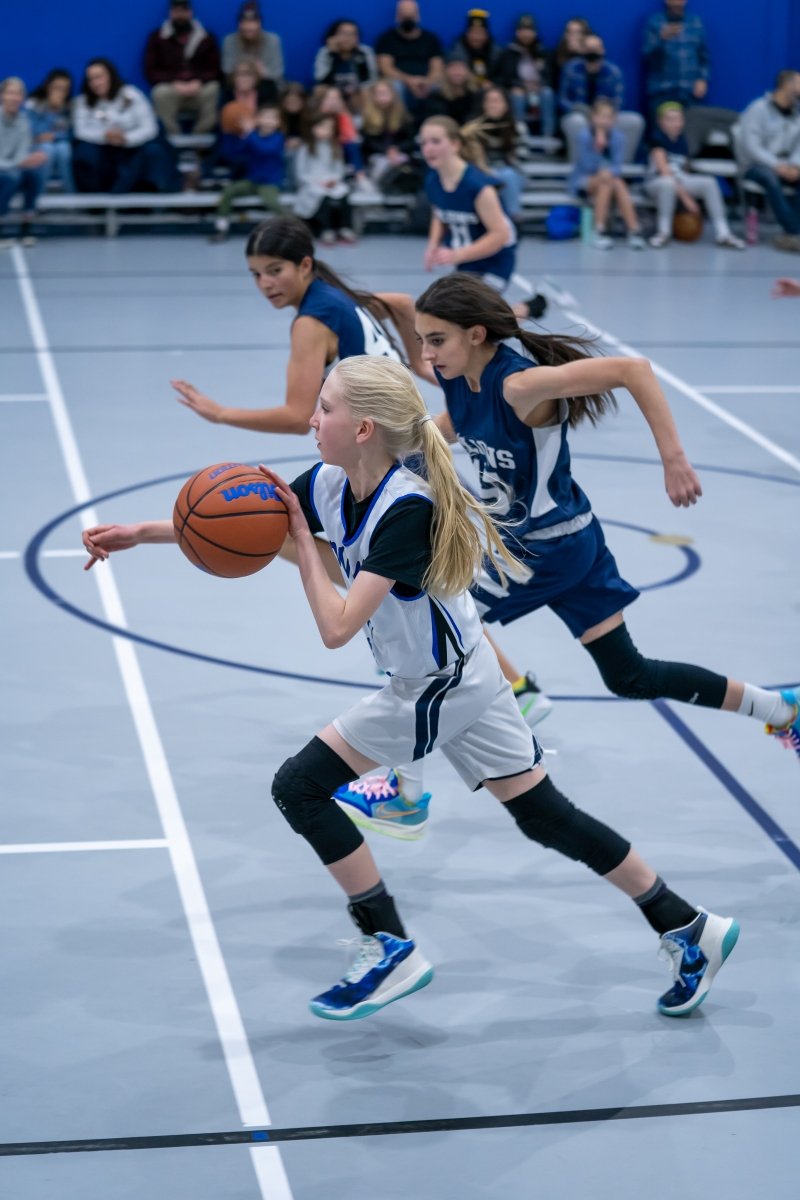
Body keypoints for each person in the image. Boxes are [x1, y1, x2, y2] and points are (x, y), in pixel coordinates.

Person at [82, 355, 740, 1023]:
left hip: (439, 684)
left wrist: (304, 546)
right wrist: (146, 533)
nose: (312, 420)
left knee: (298, 787)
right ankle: (687, 925)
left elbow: (337, 626)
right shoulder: (332, 483)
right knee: (545, 816)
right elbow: (251, 523)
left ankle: (387, 944)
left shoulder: (408, 510)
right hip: (468, 671)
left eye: (325, 409)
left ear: (364, 429)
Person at [332, 274, 800, 839]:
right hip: (574, 542)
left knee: (419, 626)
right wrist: (387, 455)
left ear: (475, 334)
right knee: (629, 674)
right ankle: (781, 709)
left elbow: (635, 370)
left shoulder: (520, 384)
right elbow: (450, 429)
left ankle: (405, 795)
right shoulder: (462, 380)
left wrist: (674, 458)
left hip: (543, 549)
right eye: (422, 340)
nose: (426, 355)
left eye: (436, 340)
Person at [168, 215, 428, 432]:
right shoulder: (332, 293)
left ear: (304, 265)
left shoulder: (311, 323)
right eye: (256, 274)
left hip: (389, 449)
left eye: (275, 271)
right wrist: (418, 364)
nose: (265, 284)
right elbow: (402, 304)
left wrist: (221, 414)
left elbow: (297, 418)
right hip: (406, 431)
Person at [420, 114, 548, 319]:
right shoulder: (433, 180)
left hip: (495, 258)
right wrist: (432, 246)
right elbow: (439, 213)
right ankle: (534, 305)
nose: (428, 148)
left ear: (455, 144)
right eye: (424, 143)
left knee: (475, 319)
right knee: (458, 316)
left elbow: (500, 235)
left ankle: (535, 305)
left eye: (435, 141)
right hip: (468, 259)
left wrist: (458, 254)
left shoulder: (478, 186)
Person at [72, 59, 182, 194]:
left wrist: (126, 139)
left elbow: (150, 128)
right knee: (85, 153)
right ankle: (96, 198)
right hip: (103, 151)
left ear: (111, 75)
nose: (96, 83)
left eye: (99, 77)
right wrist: (105, 136)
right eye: (91, 79)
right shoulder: (83, 101)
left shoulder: (132, 94)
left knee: (154, 150)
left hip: (134, 147)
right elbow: (80, 131)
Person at [645, 101, 744, 248]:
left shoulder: (683, 141)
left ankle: (723, 233)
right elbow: (665, 172)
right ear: (660, 122)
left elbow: (684, 169)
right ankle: (663, 232)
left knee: (709, 182)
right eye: (670, 119)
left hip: (678, 180)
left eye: (678, 119)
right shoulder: (657, 139)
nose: (675, 123)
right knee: (668, 184)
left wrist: (690, 189)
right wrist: (686, 199)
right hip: (656, 182)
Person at [568, 99, 646, 249]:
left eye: (608, 117)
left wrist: (607, 172)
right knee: (610, 181)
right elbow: (587, 166)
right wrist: (598, 147)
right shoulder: (584, 136)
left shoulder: (618, 137)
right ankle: (603, 231)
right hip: (584, 180)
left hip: (608, 180)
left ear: (613, 119)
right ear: (593, 117)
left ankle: (630, 231)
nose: (604, 121)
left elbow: (617, 166)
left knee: (613, 182)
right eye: (601, 116)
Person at [738, 70, 800, 255]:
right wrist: (776, 165)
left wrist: (795, 165)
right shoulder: (758, 109)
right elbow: (751, 146)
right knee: (770, 178)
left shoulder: (797, 113)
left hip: (787, 165)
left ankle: (793, 233)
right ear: (787, 85)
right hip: (756, 166)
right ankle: (794, 231)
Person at [559, 34, 645, 167]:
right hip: (580, 115)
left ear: (603, 50)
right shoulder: (571, 69)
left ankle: (622, 166)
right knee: (576, 122)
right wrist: (581, 110)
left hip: (606, 117)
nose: (592, 52)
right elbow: (562, 100)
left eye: (596, 49)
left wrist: (603, 119)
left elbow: (618, 102)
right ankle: (579, 166)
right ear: (582, 50)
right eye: (588, 48)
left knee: (635, 121)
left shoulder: (613, 72)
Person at [208, 102, 285, 242]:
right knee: (228, 192)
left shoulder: (278, 138)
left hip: (269, 182)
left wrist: (250, 134)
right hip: (252, 180)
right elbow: (238, 153)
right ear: (257, 119)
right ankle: (221, 228)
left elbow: (265, 150)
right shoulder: (252, 136)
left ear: (278, 122)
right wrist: (238, 135)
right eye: (265, 117)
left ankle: (298, 226)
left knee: (272, 203)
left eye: (272, 118)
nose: (268, 121)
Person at [144, 0, 221, 135]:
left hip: (199, 89)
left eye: (183, 11)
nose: (180, 15)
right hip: (172, 89)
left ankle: (199, 137)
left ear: (190, 13)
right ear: (170, 13)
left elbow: (215, 70)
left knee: (214, 88)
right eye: (176, 11)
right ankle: (173, 138)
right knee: (159, 92)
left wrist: (199, 81)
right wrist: (174, 82)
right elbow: (151, 71)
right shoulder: (157, 38)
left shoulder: (206, 37)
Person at [292, 112, 357, 245]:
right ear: (313, 128)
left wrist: (333, 180)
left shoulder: (335, 148)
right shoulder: (305, 148)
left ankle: (345, 227)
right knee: (322, 197)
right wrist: (317, 182)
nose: (325, 131)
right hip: (311, 184)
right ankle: (326, 229)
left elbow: (339, 169)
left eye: (329, 128)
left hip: (331, 182)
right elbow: (300, 173)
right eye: (322, 127)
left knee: (344, 193)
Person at [375, 1, 444, 121]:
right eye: (404, 15)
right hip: (399, 80)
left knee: (440, 85)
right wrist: (409, 81)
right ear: (397, 17)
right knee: (395, 87)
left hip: (426, 80)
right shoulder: (386, 39)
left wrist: (427, 82)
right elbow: (386, 69)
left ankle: (435, 123)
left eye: (411, 15)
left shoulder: (431, 39)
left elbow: (437, 68)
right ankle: (403, 124)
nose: (407, 19)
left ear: (418, 16)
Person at [642, 0, 709, 122]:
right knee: (660, 132)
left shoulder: (695, 22)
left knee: (691, 130)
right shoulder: (654, 22)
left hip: (689, 91)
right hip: (662, 90)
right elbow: (647, 56)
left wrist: (702, 79)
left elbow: (704, 56)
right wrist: (661, 39)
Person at [0, 77, 47, 248]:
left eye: (18, 94)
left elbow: (22, 151)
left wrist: (30, 160)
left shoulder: (23, 121)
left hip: (12, 168)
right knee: (12, 177)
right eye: (10, 93)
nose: (14, 98)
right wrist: (19, 163)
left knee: (35, 171)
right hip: (6, 170)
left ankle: (27, 223)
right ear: (2, 96)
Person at [495, 13, 556, 138]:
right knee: (517, 95)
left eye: (529, 31)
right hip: (519, 90)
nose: (526, 34)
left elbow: (550, 77)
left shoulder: (543, 53)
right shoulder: (508, 53)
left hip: (539, 90)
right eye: (523, 30)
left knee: (548, 93)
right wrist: (520, 86)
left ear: (535, 33)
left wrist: (540, 85)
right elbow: (505, 78)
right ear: (517, 33)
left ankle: (548, 135)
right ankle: (520, 136)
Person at [472, 85, 526, 224]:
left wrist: (498, 170)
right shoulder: (473, 128)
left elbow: (521, 158)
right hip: (481, 170)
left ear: (506, 104)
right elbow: (471, 157)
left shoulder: (518, 128)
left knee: (508, 175)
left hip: (510, 170)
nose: (492, 105)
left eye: (497, 101)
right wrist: (486, 169)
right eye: (489, 101)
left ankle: (513, 218)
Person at [359, 80, 419, 192]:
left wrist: (397, 149)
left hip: (399, 153)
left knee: (403, 161)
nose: (383, 97)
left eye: (385, 93)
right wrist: (387, 151)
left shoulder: (403, 115)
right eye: (379, 93)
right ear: (373, 96)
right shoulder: (367, 116)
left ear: (393, 94)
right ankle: (378, 189)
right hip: (377, 155)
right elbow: (368, 142)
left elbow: (411, 140)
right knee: (382, 162)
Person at [26, 68, 74, 193]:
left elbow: (70, 134)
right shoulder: (34, 103)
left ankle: (71, 193)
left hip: (60, 144)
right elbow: (34, 131)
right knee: (47, 149)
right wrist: (49, 111)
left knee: (63, 149)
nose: (59, 92)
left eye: (64, 89)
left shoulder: (69, 107)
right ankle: (38, 194)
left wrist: (58, 110)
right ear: (47, 86)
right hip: (36, 145)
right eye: (56, 88)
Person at [313, 19, 378, 112]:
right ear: (334, 36)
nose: (348, 38)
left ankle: (366, 119)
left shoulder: (364, 52)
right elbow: (320, 79)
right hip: (334, 92)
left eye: (352, 34)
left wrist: (355, 89)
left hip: (357, 92)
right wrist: (333, 55)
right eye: (344, 33)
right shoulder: (325, 52)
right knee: (320, 90)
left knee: (366, 90)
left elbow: (371, 79)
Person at [221, 2, 284, 93]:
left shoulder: (273, 40)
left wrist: (260, 72)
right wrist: (249, 70)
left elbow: (277, 73)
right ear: (239, 24)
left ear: (260, 23)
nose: (249, 27)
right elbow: (227, 70)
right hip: (238, 84)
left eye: (253, 22)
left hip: (266, 84)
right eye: (244, 22)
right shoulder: (229, 40)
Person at [421, 52, 482, 126]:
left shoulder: (476, 93)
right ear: (445, 71)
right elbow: (436, 120)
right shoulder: (436, 94)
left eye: (460, 68)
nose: (457, 73)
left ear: (468, 71)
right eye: (453, 68)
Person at [449, 9, 503, 88]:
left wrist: (493, 83)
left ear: (487, 35)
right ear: (467, 34)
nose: (476, 38)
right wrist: (476, 83)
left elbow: (502, 75)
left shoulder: (496, 52)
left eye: (480, 33)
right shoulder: (457, 51)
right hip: (465, 89)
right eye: (473, 33)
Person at [550, 15, 591, 96]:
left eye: (577, 32)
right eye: (569, 31)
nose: (572, 35)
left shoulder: (591, 55)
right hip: (562, 98)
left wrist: (580, 53)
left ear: (585, 35)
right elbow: (554, 84)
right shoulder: (556, 55)